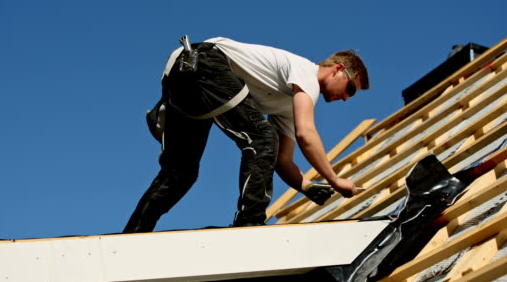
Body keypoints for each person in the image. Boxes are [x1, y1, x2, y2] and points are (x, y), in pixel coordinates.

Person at [123, 36, 370, 233]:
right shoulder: (306, 74)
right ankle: (249, 221)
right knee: (262, 137)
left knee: (181, 174)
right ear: (337, 69)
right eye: (350, 89)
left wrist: (306, 186)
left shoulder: (286, 105)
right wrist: (335, 180)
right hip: (204, 63)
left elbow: (282, 161)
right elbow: (306, 133)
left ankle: (133, 234)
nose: (346, 98)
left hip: (190, 85)